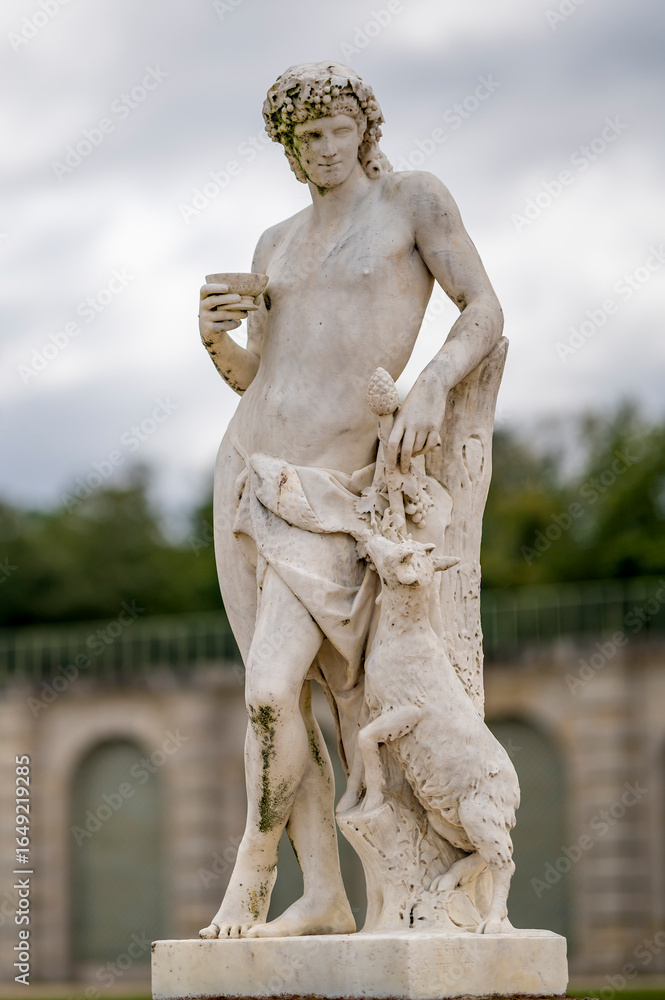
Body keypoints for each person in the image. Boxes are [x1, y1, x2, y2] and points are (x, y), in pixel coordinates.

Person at [197, 61, 503, 940]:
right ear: (288, 149)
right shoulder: (275, 242)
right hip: (247, 474)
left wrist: (433, 382)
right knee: (280, 699)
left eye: (338, 129)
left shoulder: (412, 199)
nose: (325, 147)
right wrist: (214, 342)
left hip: (335, 494)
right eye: (308, 137)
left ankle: (253, 883)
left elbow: (483, 309)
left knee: (285, 692)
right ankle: (323, 895)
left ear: (364, 128)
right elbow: (267, 378)